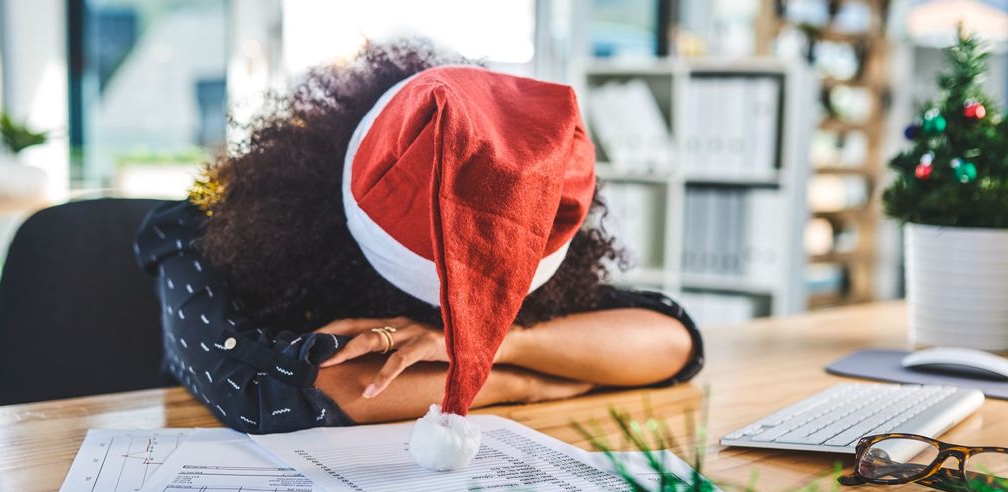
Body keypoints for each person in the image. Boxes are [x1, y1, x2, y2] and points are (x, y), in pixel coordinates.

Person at [135, 39, 704, 437]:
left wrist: (476, 347)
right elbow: (259, 392)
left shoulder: (532, 223)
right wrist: (518, 382)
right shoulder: (204, 230)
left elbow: (671, 340)